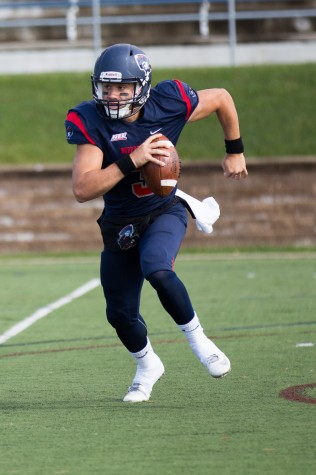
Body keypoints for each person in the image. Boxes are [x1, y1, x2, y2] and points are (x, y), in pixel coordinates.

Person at [65, 43, 248, 403]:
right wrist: (133, 160)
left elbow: (222, 98)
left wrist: (235, 150)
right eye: (107, 87)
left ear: (143, 87)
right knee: (119, 314)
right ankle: (148, 365)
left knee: (158, 269)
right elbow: (83, 189)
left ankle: (200, 341)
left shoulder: (168, 102)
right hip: (119, 222)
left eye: (123, 88)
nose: (113, 96)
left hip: (165, 209)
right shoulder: (90, 119)